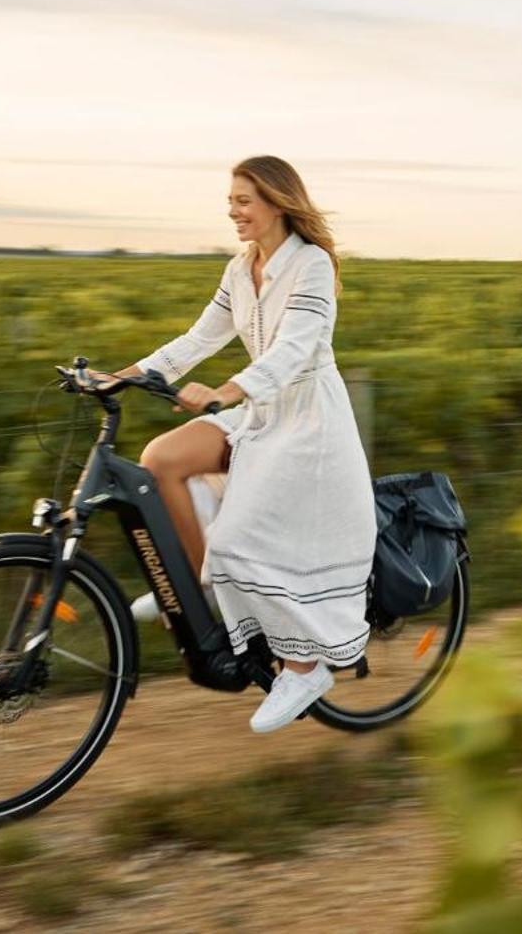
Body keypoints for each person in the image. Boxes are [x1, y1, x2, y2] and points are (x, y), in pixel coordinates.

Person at [95, 156, 375, 733]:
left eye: (244, 200)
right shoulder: (239, 267)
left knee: (242, 535)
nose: (233, 211)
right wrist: (125, 375)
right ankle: (207, 593)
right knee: (161, 461)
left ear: (277, 202)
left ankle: (304, 668)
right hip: (259, 409)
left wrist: (225, 390)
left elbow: (297, 349)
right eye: (231, 200)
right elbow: (200, 337)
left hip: (307, 420)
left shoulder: (312, 265)